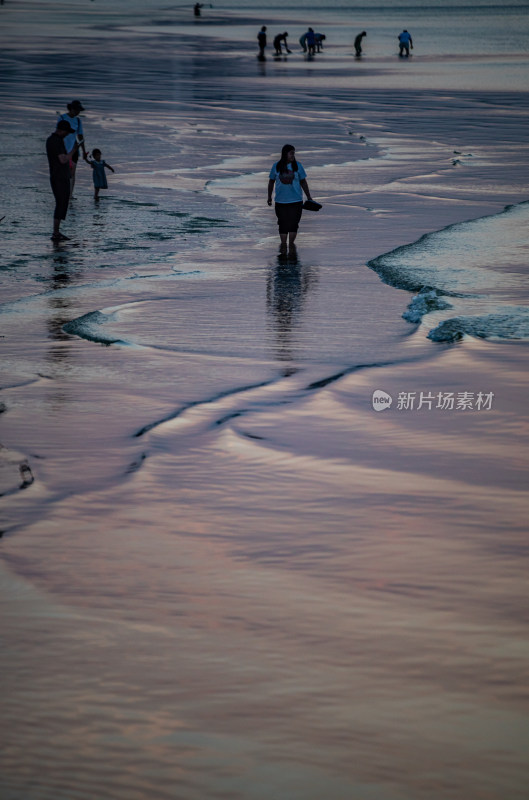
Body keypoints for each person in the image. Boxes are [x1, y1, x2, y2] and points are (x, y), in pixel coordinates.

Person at [267, 144, 314, 249]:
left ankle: (291, 246)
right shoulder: (276, 166)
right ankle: (283, 246)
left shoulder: (298, 166)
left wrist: (309, 197)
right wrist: (269, 197)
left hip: (296, 200)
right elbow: (271, 182)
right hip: (280, 201)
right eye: (291, 153)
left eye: (294, 153)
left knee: (293, 224)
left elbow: (303, 182)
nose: (293, 155)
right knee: (282, 224)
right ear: (285, 154)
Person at [46, 119, 80, 241]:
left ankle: (56, 232)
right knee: (61, 203)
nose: (67, 134)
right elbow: (63, 159)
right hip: (59, 176)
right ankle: (56, 233)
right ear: (61, 130)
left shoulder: (51, 140)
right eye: (67, 132)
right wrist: (74, 150)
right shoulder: (56, 141)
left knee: (61, 203)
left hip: (56, 175)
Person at [57, 100, 87, 198]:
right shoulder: (62, 118)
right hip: (63, 149)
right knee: (62, 172)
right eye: (78, 110)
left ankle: (70, 194)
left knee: (72, 173)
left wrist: (83, 151)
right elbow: (58, 134)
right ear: (72, 109)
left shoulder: (78, 120)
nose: (79, 112)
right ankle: (62, 191)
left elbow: (80, 136)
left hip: (74, 150)